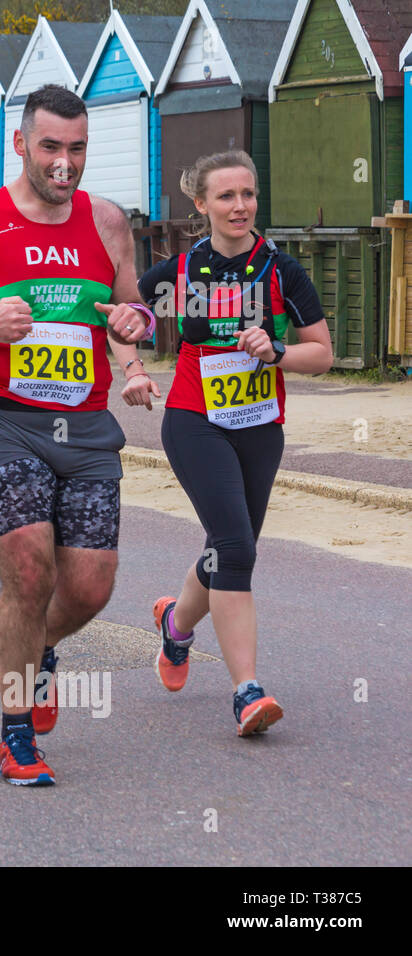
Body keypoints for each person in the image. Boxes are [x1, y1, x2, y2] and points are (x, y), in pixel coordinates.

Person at [0, 85, 157, 787]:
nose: (64, 163)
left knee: (91, 587)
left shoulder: (107, 222)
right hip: (2, 421)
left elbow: (128, 312)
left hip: (86, 425)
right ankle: (17, 734)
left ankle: (38, 650)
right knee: (27, 571)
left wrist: (135, 347)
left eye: (77, 148)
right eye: (51, 147)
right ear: (20, 144)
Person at [138, 150, 332, 736]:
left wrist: (278, 353)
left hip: (260, 424)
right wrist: (132, 367)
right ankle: (246, 691)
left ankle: (176, 624)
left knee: (234, 544)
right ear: (201, 205)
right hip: (194, 419)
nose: (240, 206)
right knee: (234, 546)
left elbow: (322, 353)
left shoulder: (280, 269)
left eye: (248, 194)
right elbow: (123, 316)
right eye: (226, 196)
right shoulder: (180, 271)